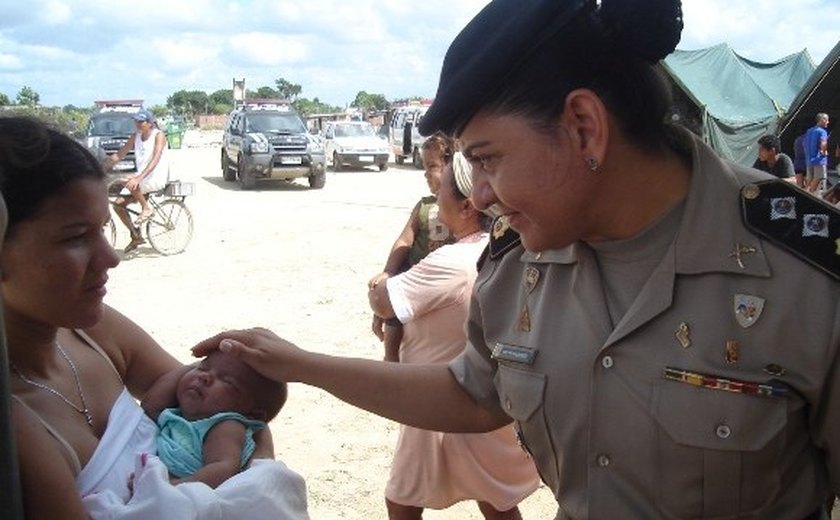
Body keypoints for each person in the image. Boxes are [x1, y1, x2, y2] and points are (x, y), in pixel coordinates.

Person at [194, 1, 839, 518]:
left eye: (489, 158)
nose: (477, 194)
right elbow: (474, 393)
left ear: (584, 126)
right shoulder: (517, 264)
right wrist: (300, 364)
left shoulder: (808, 272)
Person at [0, 117, 306, 520]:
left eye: (104, 230)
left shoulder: (93, 330)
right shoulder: (19, 419)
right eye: (75, 237)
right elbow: (244, 431)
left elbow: (242, 411)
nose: (112, 258)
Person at [368, 152, 539, 519]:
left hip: (435, 397)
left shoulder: (451, 263)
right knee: (496, 500)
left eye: (441, 187)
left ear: (464, 206)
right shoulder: (502, 249)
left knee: (402, 500)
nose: (434, 196)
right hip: (487, 395)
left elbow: (385, 303)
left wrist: (379, 281)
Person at [141, 350, 288, 489]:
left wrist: (170, 487)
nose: (205, 377)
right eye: (203, 368)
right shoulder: (178, 414)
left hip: (191, 498)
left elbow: (223, 469)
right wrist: (192, 366)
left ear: (252, 415)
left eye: (228, 381)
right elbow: (150, 404)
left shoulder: (227, 425)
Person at [369, 133, 455, 362]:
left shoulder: (468, 205)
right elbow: (405, 241)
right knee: (394, 304)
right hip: (417, 273)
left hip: (445, 278)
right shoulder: (424, 206)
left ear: (452, 166)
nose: (426, 174)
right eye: (425, 167)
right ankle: (390, 358)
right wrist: (389, 272)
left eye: (433, 166)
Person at [104, 108, 170, 253]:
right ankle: (135, 235)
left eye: (141, 122)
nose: (138, 124)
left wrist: (139, 177)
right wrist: (101, 167)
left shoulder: (158, 136)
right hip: (142, 176)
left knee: (130, 180)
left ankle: (146, 208)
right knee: (118, 205)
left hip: (156, 175)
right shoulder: (136, 136)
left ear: (150, 123)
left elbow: (156, 158)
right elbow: (120, 154)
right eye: (137, 121)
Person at [804, 112, 830, 193]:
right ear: (822, 120)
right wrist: (824, 152)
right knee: (819, 178)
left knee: (809, 179)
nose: (828, 122)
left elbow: (804, 143)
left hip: (809, 159)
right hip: (819, 159)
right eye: (827, 120)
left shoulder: (809, 131)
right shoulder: (822, 131)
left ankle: (805, 193)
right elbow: (823, 143)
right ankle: (810, 195)